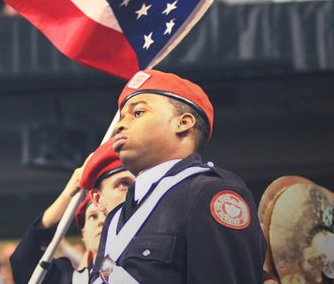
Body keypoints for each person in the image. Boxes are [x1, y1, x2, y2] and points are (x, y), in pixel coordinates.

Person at [90, 70, 265, 283]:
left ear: (183, 123)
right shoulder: (116, 217)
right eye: (121, 117)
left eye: (138, 113)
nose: (119, 125)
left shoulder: (207, 194)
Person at [10, 139, 134, 284]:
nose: (101, 221)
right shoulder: (66, 278)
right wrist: (68, 194)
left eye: (106, 214)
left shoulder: (144, 267)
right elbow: (24, 260)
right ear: (83, 233)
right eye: (92, 217)